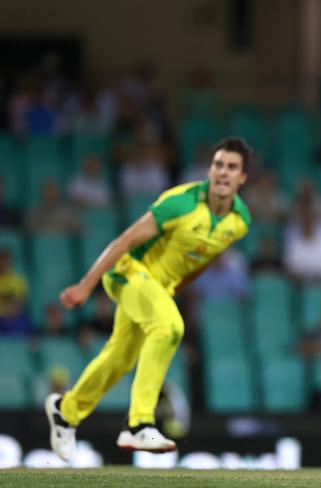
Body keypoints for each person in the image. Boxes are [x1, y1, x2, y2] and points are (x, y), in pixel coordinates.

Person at [45, 137, 252, 462]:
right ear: (210, 170)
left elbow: (205, 258)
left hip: (156, 289)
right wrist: (87, 286)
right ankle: (139, 422)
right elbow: (124, 240)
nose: (223, 173)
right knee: (170, 328)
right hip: (128, 272)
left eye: (232, 167)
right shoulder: (180, 203)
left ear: (243, 178)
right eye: (218, 165)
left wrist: (171, 290)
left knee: (119, 359)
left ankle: (65, 411)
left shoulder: (239, 223)